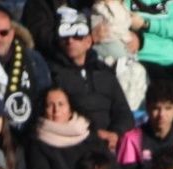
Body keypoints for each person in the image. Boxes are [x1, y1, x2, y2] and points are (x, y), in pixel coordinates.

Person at [46, 6, 133, 152]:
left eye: (77, 36)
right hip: (73, 145)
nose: (70, 41)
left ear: (88, 41)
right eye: (66, 37)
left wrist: (115, 133)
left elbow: (124, 112)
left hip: (110, 145)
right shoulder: (52, 74)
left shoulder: (104, 72)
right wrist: (93, 134)